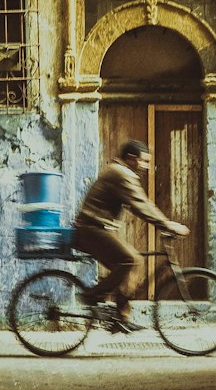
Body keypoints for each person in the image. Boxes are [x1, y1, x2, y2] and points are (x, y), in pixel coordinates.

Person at [73, 139, 188, 332]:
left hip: (98, 229)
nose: (146, 167)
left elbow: (141, 204)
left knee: (130, 269)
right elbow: (140, 204)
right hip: (91, 230)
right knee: (131, 260)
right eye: (144, 162)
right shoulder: (121, 173)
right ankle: (92, 296)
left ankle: (121, 319)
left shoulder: (121, 172)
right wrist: (167, 224)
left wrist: (164, 224)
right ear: (131, 158)